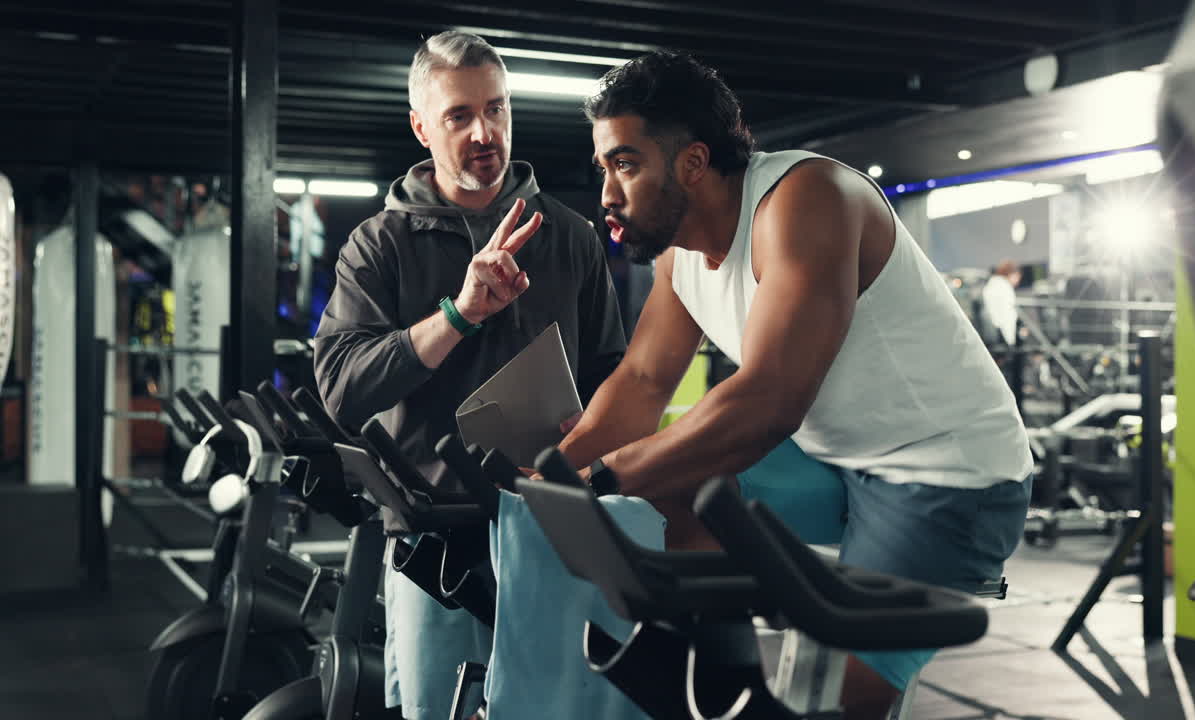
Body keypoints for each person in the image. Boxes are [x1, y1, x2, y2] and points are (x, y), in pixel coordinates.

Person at [556, 52, 1033, 720]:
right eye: (605, 166)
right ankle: (714, 690)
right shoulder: (680, 256)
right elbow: (640, 381)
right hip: (837, 462)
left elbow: (770, 399)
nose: (606, 191)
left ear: (692, 163)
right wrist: (549, 475)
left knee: (832, 704)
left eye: (626, 164)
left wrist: (602, 477)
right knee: (670, 494)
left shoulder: (804, 200)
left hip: (948, 477)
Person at [312, 31, 626, 720]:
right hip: (435, 542)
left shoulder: (570, 236)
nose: (484, 132)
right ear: (422, 128)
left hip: (551, 529)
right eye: (459, 115)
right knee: (438, 711)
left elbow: (613, 374)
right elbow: (340, 390)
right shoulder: (380, 246)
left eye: (497, 108)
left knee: (553, 709)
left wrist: (596, 429)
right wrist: (459, 314)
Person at [982, 259, 1022, 347]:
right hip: (1001, 331)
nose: (1018, 281)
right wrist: (1010, 340)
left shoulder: (991, 285)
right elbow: (1008, 314)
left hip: (992, 331)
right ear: (1012, 274)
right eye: (1017, 277)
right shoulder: (1005, 288)